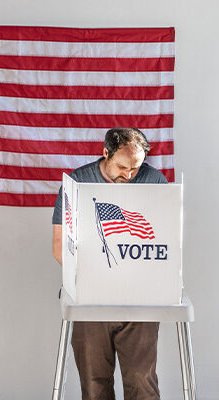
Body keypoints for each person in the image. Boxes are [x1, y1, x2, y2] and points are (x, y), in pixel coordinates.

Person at [52, 128, 167, 400]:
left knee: (142, 384)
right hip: (91, 299)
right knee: (94, 385)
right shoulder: (77, 182)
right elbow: (59, 247)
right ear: (106, 153)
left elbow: (167, 242)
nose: (128, 175)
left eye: (135, 168)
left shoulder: (155, 181)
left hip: (141, 301)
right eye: (122, 166)